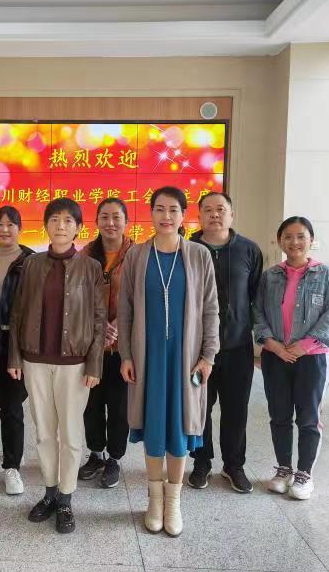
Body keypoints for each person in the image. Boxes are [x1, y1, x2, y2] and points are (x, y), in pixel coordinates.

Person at [118, 186, 219, 537]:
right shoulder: (136, 255)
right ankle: (154, 498)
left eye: (173, 210)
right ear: (151, 213)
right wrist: (126, 355)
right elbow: (125, 309)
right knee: (153, 424)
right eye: (159, 209)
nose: (166, 216)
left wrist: (208, 356)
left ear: (183, 215)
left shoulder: (198, 255)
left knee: (179, 427)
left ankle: (173, 500)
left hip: (185, 358)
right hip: (147, 357)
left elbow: (210, 309)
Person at [8, 198, 106, 534]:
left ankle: (66, 499)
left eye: (67, 220)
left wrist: (94, 364)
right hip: (35, 360)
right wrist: (14, 357)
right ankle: (49, 493)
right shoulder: (31, 264)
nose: (60, 225)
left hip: (74, 364)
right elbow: (17, 313)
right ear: (46, 225)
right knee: (44, 432)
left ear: (78, 227)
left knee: (71, 433)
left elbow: (98, 319)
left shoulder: (90, 267)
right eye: (54, 219)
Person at [253, 216, 329, 501]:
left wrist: (303, 346)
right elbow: (258, 313)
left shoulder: (325, 275)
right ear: (279, 241)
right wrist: (275, 346)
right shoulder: (270, 276)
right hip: (275, 356)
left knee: (308, 417)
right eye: (288, 237)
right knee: (279, 415)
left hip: (312, 358)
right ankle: (284, 469)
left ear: (311, 240)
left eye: (301, 236)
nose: (294, 242)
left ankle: (304, 473)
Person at [188, 192, 263, 493]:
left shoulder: (249, 250)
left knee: (236, 410)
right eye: (208, 210)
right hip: (196, 349)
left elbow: (255, 296)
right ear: (199, 216)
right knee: (200, 408)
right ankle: (201, 463)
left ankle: (234, 465)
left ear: (232, 215)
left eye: (221, 209)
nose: (215, 214)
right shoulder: (187, 248)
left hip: (237, 348)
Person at [78, 198, 134, 489]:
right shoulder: (85, 255)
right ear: (96, 221)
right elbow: (76, 298)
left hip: (124, 347)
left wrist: (119, 325)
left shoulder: (137, 255)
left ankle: (114, 457)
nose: (110, 223)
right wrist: (99, 328)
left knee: (120, 404)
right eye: (104, 217)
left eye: (116, 217)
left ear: (126, 221)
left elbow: (141, 298)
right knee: (92, 402)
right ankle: (96, 453)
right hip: (92, 344)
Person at [0, 206, 34, 495]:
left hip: (19, 340)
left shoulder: (31, 261)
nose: (5, 229)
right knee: (4, 402)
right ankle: (11, 450)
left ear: (20, 229)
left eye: (10, 224)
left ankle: (12, 466)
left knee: (13, 403)